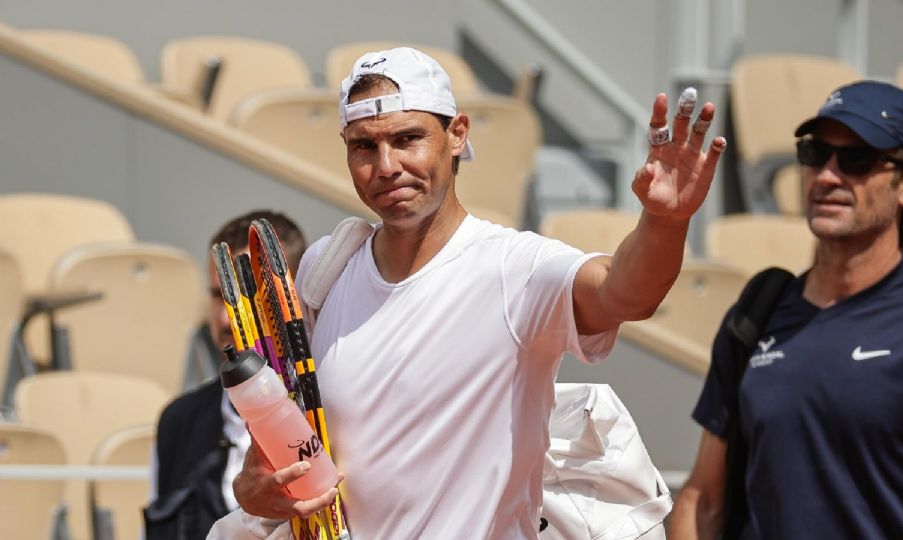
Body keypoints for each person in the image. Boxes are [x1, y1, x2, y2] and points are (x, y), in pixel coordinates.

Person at [212, 46, 726, 539]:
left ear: (457, 135)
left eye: (407, 138)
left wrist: (664, 221)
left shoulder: (514, 268)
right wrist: (254, 490)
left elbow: (624, 294)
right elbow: (288, 457)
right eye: (364, 146)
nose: (386, 165)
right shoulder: (328, 270)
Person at [669, 80, 903, 539]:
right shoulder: (757, 313)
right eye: (814, 153)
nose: (826, 176)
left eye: (856, 160)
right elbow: (702, 499)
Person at [145, 210, 306, 539]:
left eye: (243, 301)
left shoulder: (330, 410)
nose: (224, 320)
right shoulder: (178, 421)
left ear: (292, 294)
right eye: (218, 296)